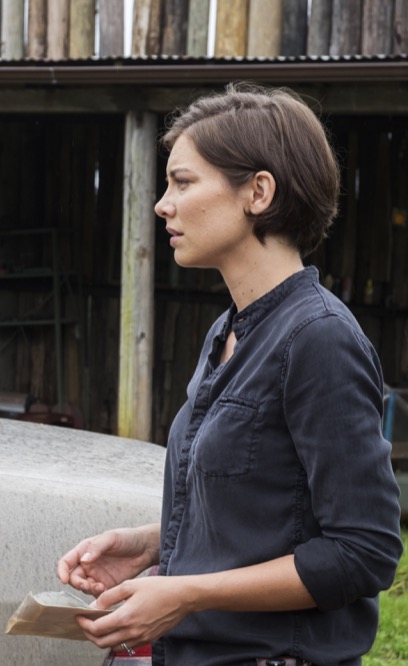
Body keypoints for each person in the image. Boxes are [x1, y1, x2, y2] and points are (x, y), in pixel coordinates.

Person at [56, 83, 404, 665]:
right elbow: (267, 510)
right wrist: (152, 545)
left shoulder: (318, 339)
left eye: (183, 182)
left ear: (258, 192)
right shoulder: (228, 331)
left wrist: (186, 593)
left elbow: (363, 551)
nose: (163, 204)